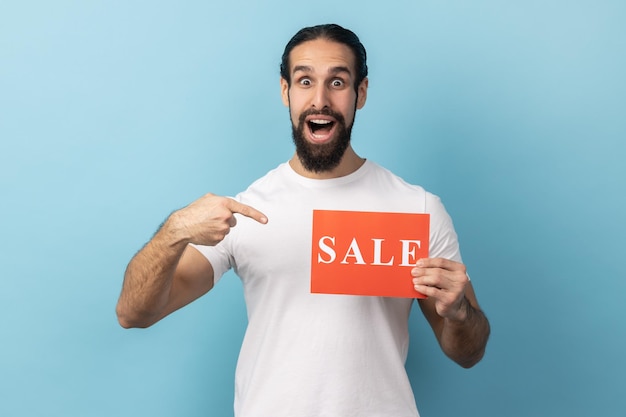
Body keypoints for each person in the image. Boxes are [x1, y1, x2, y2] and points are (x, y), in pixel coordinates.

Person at [116, 23, 490, 417]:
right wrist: (173, 232)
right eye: (305, 80)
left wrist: (461, 312)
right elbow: (134, 313)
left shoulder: (418, 209)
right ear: (286, 92)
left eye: (338, 82)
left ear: (361, 93)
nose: (320, 99)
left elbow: (468, 353)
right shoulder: (247, 212)